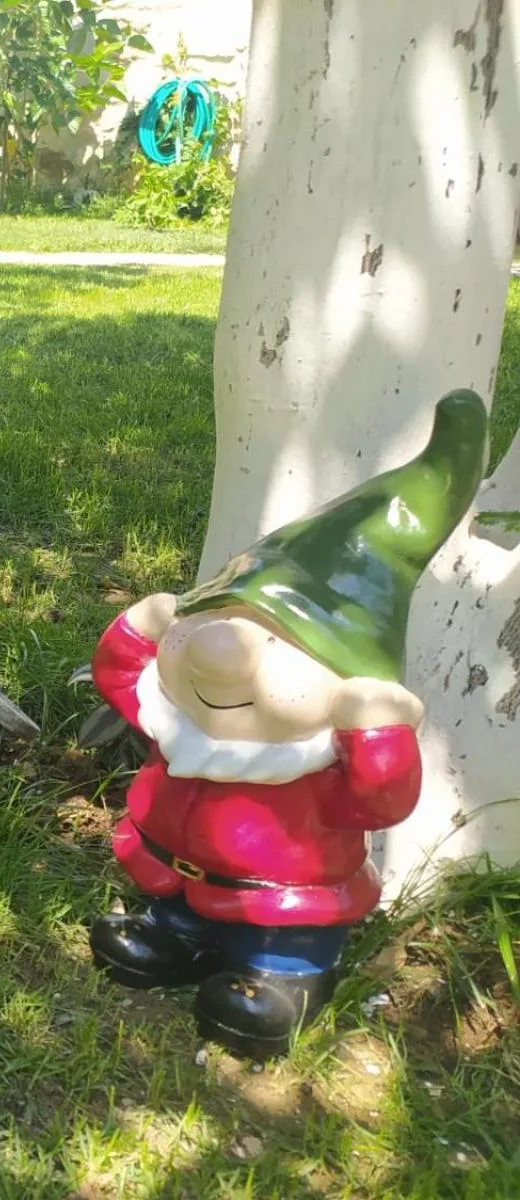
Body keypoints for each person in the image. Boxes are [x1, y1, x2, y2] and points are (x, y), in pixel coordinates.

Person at [87, 390, 488, 1058]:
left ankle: (283, 975)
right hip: (178, 873)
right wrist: (138, 630)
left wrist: (377, 734)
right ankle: (176, 932)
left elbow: (379, 799)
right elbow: (123, 683)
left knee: (278, 953)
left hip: (286, 906)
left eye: (276, 644)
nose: (220, 657)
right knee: (173, 913)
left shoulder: (312, 758)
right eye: (211, 622)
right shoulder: (182, 722)